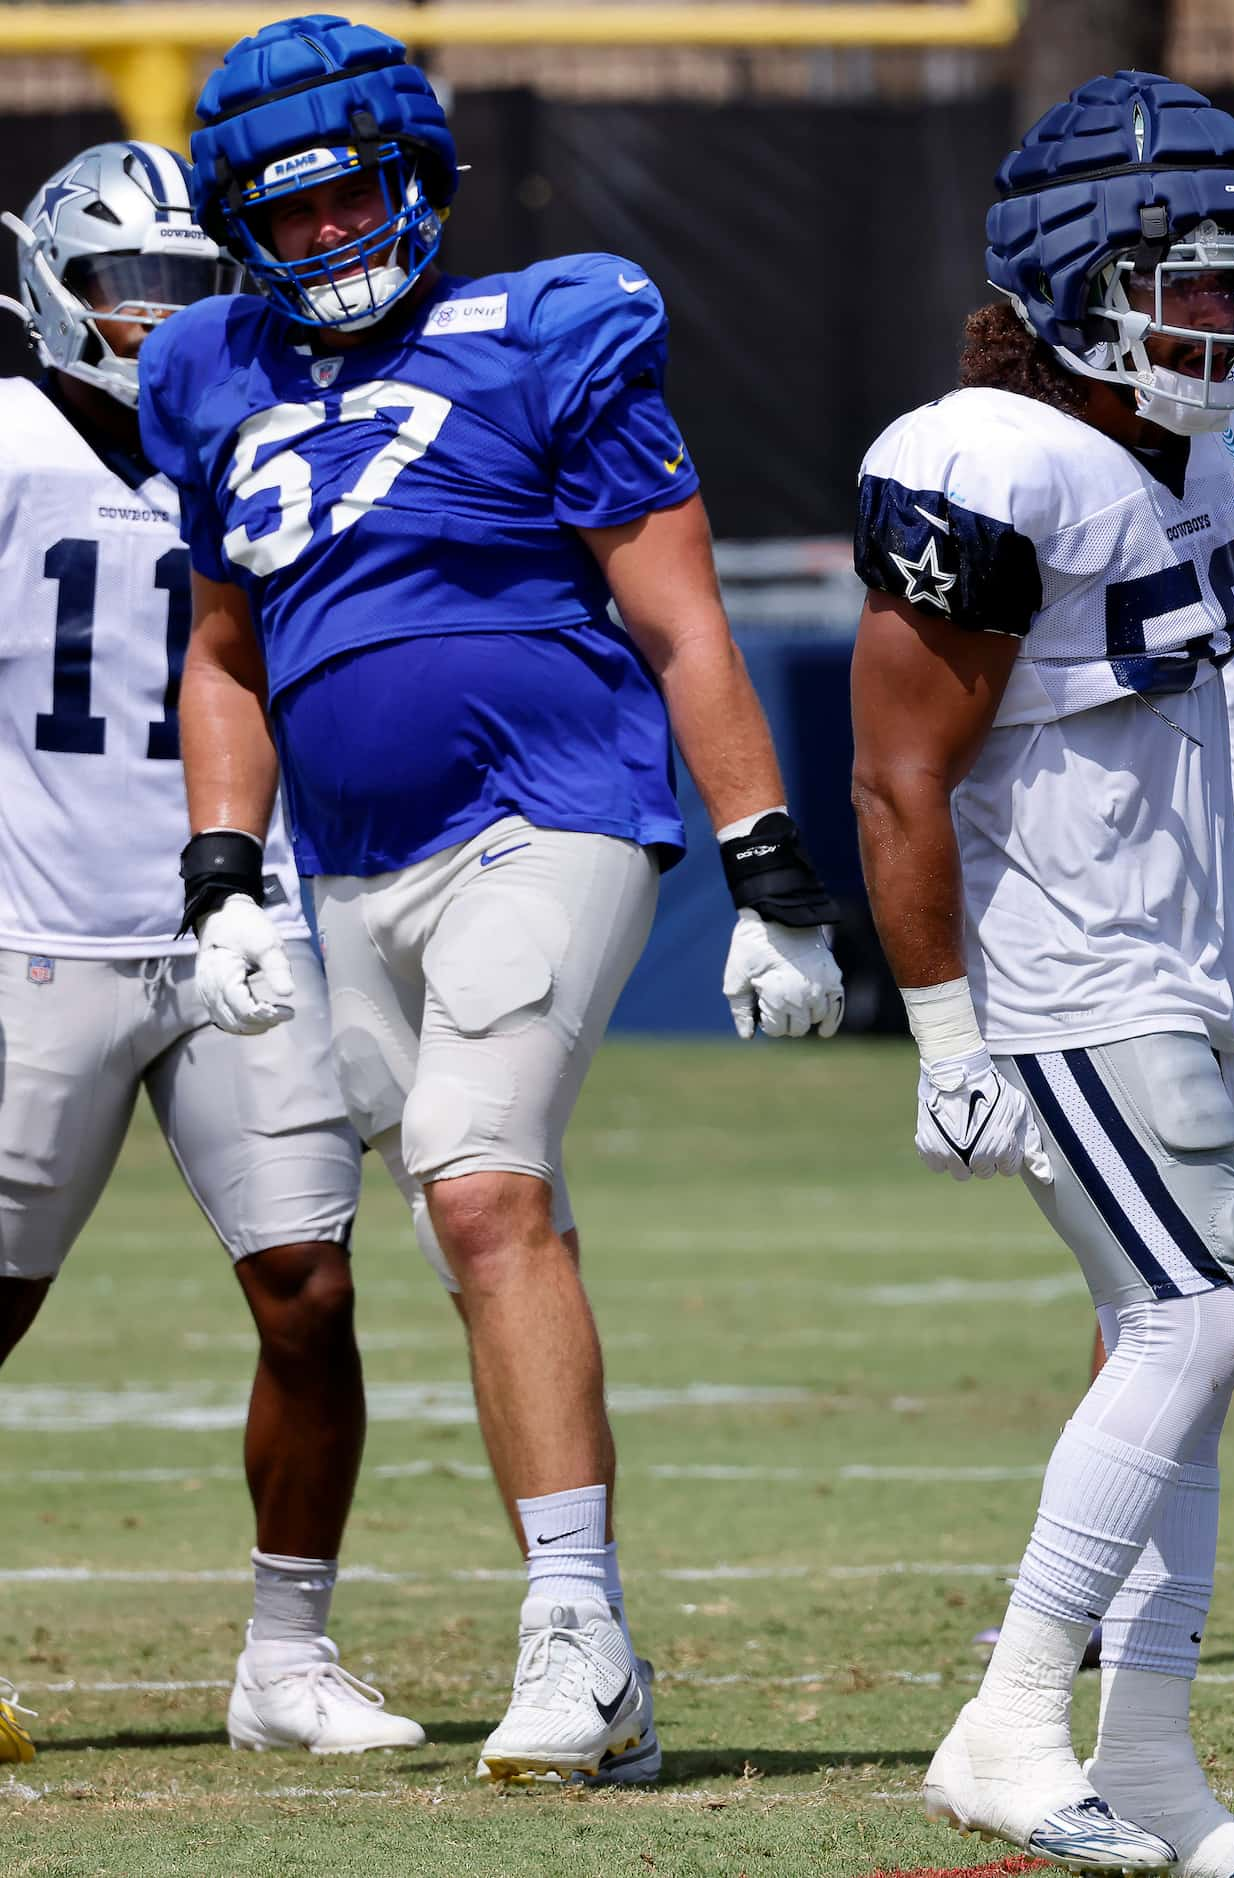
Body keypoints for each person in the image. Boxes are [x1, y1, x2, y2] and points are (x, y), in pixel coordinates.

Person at [142, 15, 846, 1785]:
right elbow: (224, 656)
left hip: (553, 812)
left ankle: (573, 1631)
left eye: (345, 200)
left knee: (473, 1180)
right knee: (481, 1215)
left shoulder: (546, 334)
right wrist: (223, 868)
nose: (321, 242)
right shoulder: (214, 372)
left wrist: (769, 864)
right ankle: (595, 1650)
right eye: (281, 218)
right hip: (348, 870)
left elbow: (682, 618)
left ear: (416, 178)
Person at [848, 69, 1234, 1878]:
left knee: (1194, 1353)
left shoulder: (1198, 453)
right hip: (1061, 973)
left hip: (1178, 968)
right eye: (1188, 284)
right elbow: (895, 773)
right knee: (1196, 1321)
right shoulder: (988, 458)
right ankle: (1014, 1710)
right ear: (1070, 285)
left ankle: (1153, 1770)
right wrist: (942, 1031)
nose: (1227, 320)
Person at [0, 138, 416, 1758]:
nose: (155, 318)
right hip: (35, 924)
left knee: (312, 1291)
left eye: (185, 284)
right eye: (126, 285)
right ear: (50, 286)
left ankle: (286, 1655)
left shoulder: (275, 439)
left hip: (245, 923)